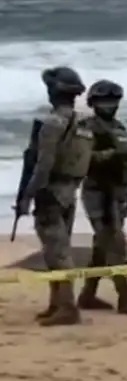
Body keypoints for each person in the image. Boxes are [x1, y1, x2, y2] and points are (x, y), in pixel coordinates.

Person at [15, 66, 94, 326]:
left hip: (50, 192)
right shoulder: (82, 121)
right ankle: (57, 304)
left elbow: (43, 165)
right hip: (69, 191)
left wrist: (28, 195)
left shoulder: (52, 123)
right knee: (58, 249)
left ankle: (67, 307)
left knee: (56, 252)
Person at [78, 79, 127, 315]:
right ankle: (125, 296)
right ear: (93, 103)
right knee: (114, 245)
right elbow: (82, 160)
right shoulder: (86, 128)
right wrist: (112, 154)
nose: (109, 106)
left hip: (117, 193)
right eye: (104, 101)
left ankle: (88, 295)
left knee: (102, 247)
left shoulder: (119, 129)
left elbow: (126, 167)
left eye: (113, 101)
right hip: (98, 192)